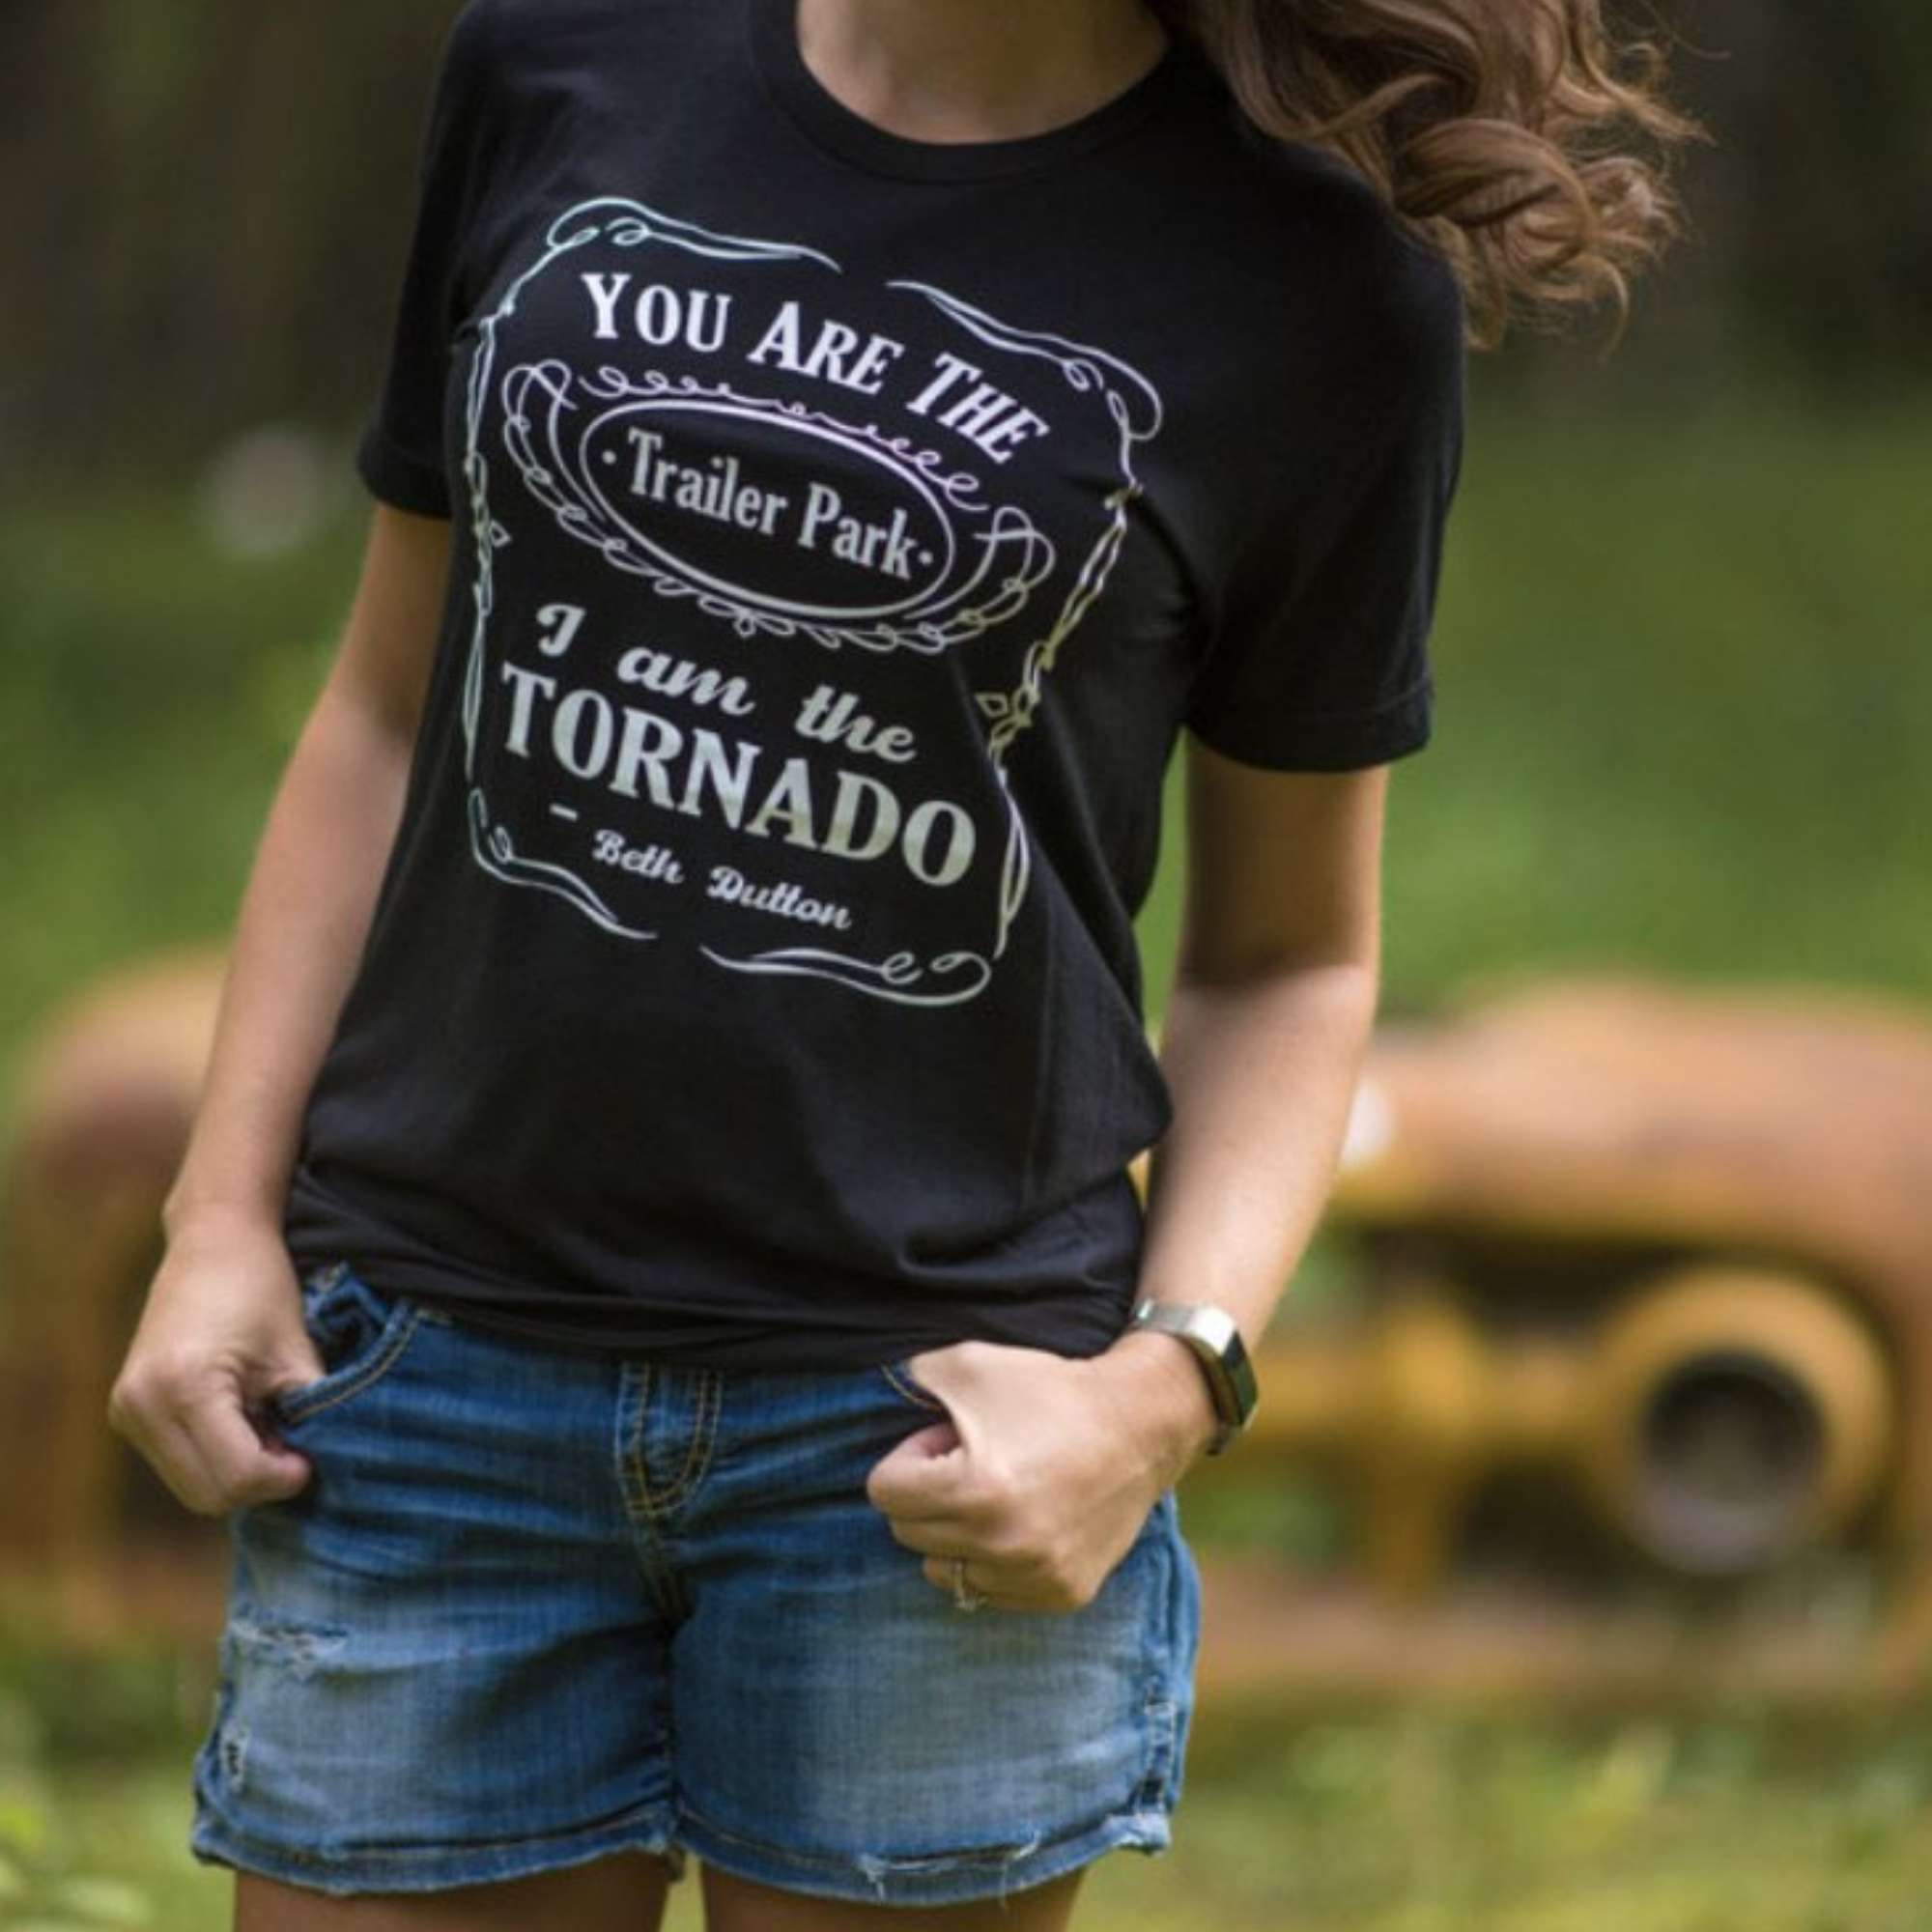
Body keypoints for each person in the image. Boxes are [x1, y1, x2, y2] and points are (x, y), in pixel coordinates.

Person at [110, 2, 1688, 1927]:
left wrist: (1162, 1393)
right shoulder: (564, 55)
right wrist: (219, 1216)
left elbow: (1286, 958)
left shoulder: (1321, 290)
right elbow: (382, 711)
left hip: (929, 1437)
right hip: (437, 1378)